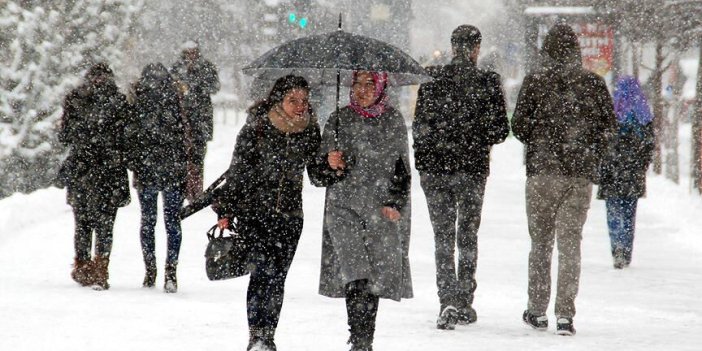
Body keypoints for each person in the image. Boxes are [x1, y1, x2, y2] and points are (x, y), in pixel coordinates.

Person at [511, 23, 617, 336]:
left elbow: (518, 126)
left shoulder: (535, 81)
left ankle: (537, 310)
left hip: (543, 172)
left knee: (541, 243)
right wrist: (588, 149)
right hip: (579, 174)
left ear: (547, 50)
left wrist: (540, 139)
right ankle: (565, 314)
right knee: (571, 245)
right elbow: (609, 128)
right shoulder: (593, 83)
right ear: (576, 50)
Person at [212, 75, 327, 351]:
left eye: (304, 101)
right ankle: (256, 336)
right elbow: (238, 171)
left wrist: (332, 164)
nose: (300, 106)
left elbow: (317, 176)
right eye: (293, 100)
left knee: (277, 279)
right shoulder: (258, 127)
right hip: (256, 214)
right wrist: (227, 208)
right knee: (261, 274)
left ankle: (269, 335)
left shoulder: (310, 129)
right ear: (279, 100)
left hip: (290, 217)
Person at [412, 24, 509, 329]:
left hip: (436, 170)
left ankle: (447, 300)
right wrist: (475, 135)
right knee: (467, 235)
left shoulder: (431, 79)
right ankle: (465, 300)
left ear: (452, 46)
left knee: (442, 236)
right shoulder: (487, 81)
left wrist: (425, 161)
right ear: (476, 48)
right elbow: (500, 131)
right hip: (472, 169)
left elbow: (420, 127)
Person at [316, 71, 412, 351]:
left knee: (373, 277)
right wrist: (329, 162)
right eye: (357, 83)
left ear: (382, 87)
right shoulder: (338, 119)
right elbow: (319, 174)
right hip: (343, 208)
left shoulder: (393, 120)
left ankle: (365, 338)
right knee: (355, 272)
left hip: (379, 210)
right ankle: (359, 339)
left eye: (370, 84)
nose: (363, 90)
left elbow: (401, 169)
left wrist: (395, 203)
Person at [58, 62, 131, 290]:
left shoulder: (75, 99)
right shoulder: (119, 102)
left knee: (82, 223)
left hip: (82, 169)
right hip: (109, 170)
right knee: (105, 224)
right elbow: (127, 137)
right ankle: (101, 268)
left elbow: (64, 136)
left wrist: (83, 140)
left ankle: (82, 266)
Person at [127, 63, 188, 293]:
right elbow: (185, 136)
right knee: (172, 222)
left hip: (147, 170)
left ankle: (150, 270)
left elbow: (131, 136)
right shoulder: (176, 98)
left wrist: (135, 163)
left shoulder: (137, 99)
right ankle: (170, 271)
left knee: (148, 221)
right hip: (172, 169)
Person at [597, 76, 655, 269]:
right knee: (629, 213)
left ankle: (617, 249)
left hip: (612, 170)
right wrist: (641, 165)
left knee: (613, 211)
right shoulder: (644, 114)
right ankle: (626, 250)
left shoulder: (613, 110)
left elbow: (602, 141)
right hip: (633, 172)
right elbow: (649, 145)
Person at [170, 40, 220, 202]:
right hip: (181, 119)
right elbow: (170, 88)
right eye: (188, 52)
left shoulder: (206, 67)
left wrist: (197, 85)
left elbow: (215, 86)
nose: (191, 55)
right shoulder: (177, 68)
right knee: (182, 158)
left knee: (198, 157)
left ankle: (196, 192)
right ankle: (183, 190)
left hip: (201, 119)